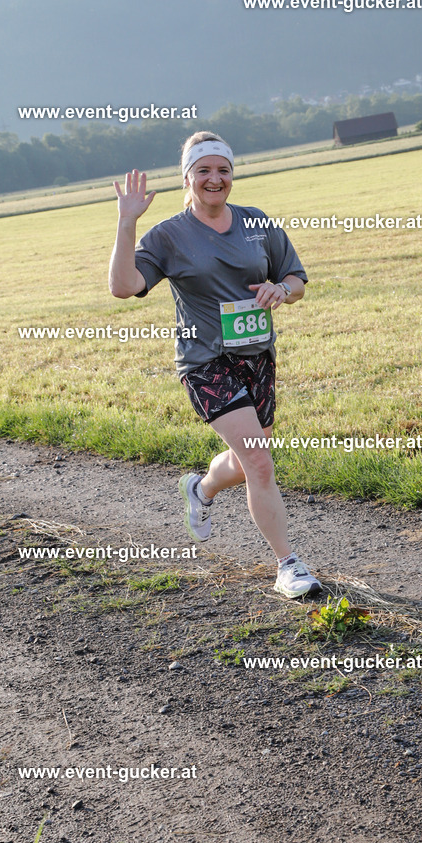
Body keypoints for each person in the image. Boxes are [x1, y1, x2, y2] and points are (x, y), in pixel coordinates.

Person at [108, 130, 321, 598]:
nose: (214, 178)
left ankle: (202, 489)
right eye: (203, 170)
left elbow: (296, 277)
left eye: (222, 169)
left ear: (232, 175)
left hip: (257, 356)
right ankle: (288, 565)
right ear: (188, 177)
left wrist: (280, 290)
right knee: (261, 463)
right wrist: (127, 224)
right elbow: (123, 287)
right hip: (206, 363)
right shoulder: (168, 235)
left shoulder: (256, 223)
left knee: (246, 463)